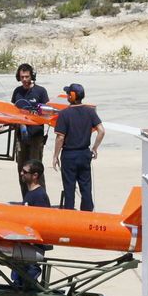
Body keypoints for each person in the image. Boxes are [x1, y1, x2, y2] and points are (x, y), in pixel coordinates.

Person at [52, 82, 104, 210]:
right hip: (85, 154)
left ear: (72, 96)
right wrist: (94, 148)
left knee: (69, 188)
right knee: (86, 187)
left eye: (68, 94)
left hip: (69, 155)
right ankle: (87, 215)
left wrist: (55, 156)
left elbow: (60, 137)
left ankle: (70, 215)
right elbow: (101, 131)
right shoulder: (90, 112)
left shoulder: (64, 114)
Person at [10, 64, 50, 201]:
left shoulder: (40, 91)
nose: (25, 80)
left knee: (35, 170)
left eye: (27, 76)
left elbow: (48, 112)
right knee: (22, 170)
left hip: (36, 137)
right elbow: (12, 110)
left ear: (32, 76)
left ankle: (41, 200)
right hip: (21, 138)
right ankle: (26, 199)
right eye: (22, 77)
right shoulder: (17, 92)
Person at [11, 160, 52, 288]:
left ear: (35, 175)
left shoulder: (39, 196)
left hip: (33, 247)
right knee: (18, 278)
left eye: (25, 172)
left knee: (26, 280)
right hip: (26, 245)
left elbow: (42, 221)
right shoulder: (30, 194)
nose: (21, 173)